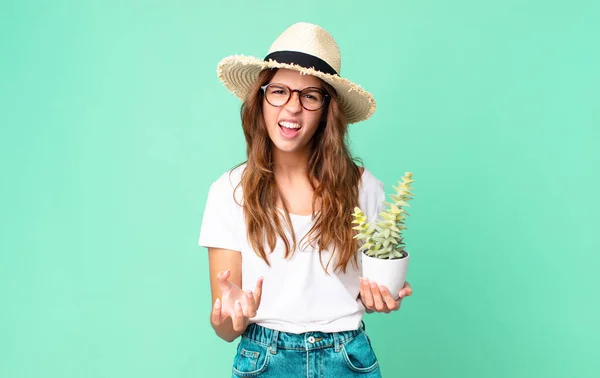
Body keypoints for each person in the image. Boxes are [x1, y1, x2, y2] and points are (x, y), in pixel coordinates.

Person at [198, 22, 413, 378]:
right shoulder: (228, 192)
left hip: (348, 359)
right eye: (279, 91)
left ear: (328, 109)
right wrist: (231, 316)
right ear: (261, 100)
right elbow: (225, 329)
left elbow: (363, 293)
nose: (292, 107)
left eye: (309, 96)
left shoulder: (364, 188)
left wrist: (379, 297)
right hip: (263, 360)